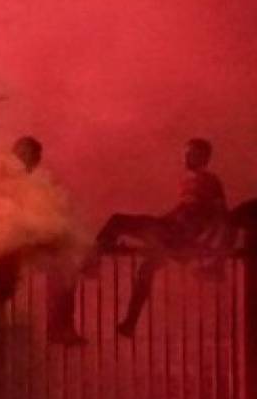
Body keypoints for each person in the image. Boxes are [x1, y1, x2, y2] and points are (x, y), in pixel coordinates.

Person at [94, 138, 230, 337]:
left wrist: (210, 247)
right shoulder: (190, 180)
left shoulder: (209, 181)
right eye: (185, 152)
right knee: (145, 270)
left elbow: (220, 216)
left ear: (204, 157)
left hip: (174, 234)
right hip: (171, 234)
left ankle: (93, 262)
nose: (185, 156)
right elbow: (186, 211)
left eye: (191, 153)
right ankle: (130, 323)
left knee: (117, 221)